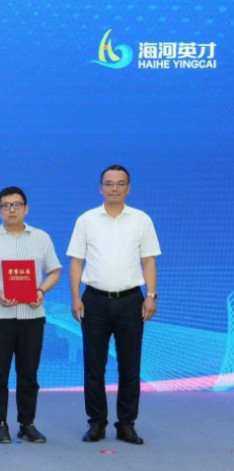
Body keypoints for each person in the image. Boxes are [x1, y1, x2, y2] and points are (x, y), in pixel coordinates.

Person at [67, 165, 160, 445]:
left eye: (120, 183)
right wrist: (75, 297)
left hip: (131, 301)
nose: (114, 188)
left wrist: (151, 295)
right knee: (94, 366)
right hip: (94, 301)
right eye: (109, 183)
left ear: (128, 188)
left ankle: (126, 425)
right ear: (100, 188)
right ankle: (96, 423)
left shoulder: (141, 220)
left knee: (130, 366)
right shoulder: (86, 220)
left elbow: (148, 261)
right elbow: (76, 261)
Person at [0, 187, 62, 444]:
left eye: (17, 204)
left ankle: (26, 424)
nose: (11, 209)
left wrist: (41, 290)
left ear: (26, 209)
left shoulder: (41, 238)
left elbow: (54, 271)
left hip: (32, 316)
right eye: (6, 205)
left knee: (28, 373)